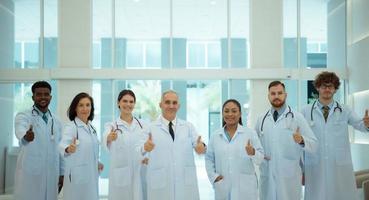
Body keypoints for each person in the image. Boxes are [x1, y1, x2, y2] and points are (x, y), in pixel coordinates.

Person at [301, 71, 369, 200]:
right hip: (315, 163)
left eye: (330, 86)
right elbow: (300, 140)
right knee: (316, 195)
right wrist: (300, 168)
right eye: (323, 86)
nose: (327, 89)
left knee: (340, 195)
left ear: (335, 89)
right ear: (317, 87)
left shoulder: (345, 110)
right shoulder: (305, 111)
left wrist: (367, 124)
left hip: (339, 164)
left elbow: (360, 125)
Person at [254, 81, 318, 200]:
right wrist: (259, 155)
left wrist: (301, 140)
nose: (276, 96)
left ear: (285, 95)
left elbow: (314, 144)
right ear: (268, 96)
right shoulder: (261, 119)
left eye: (279, 93)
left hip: (289, 177)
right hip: (267, 175)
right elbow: (254, 145)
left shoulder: (297, 117)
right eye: (273, 93)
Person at [141, 90, 206, 200]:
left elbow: (199, 145)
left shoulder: (188, 127)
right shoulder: (150, 128)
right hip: (160, 184)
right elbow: (139, 149)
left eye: (174, 103)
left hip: (185, 184)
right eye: (167, 102)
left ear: (179, 106)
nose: (171, 106)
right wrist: (145, 148)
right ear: (160, 105)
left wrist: (202, 148)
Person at [14, 81, 64, 200]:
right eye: (39, 94)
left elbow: (61, 149)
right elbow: (20, 129)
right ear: (33, 97)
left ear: (50, 97)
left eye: (46, 94)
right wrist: (26, 136)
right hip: (30, 174)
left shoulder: (56, 121)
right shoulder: (24, 115)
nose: (43, 97)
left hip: (52, 174)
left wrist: (62, 173)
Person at [205, 99, 264, 200]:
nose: (230, 114)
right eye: (226, 111)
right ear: (223, 113)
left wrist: (253, 152)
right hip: (223, 187)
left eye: (234, 111)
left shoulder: (250, 134)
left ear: (240, 114)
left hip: (246, 189)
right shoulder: (215, 136)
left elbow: (260, 159)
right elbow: (209, 159)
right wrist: (214, 177)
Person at [103, 89, 149, 200]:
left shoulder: (144, 125)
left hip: (140, 171)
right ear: (118, 103)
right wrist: (108, 138)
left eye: (131, 101)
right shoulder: (112, 126)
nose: (128, 104)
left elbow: (149, 145)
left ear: (134, 104)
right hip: (121, 174)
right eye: (125, 101)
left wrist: (148, 156)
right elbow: (105, 139)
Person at [59, 92, 103, 200]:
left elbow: (90, 150)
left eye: (88, 105)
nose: (85, 108)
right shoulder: (71, 127)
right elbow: (62, 145)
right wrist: (68, 149)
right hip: (77, 177)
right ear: (75, 108)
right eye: (81, 105)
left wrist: (97, 162)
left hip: (91, 175)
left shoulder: (92, 128)